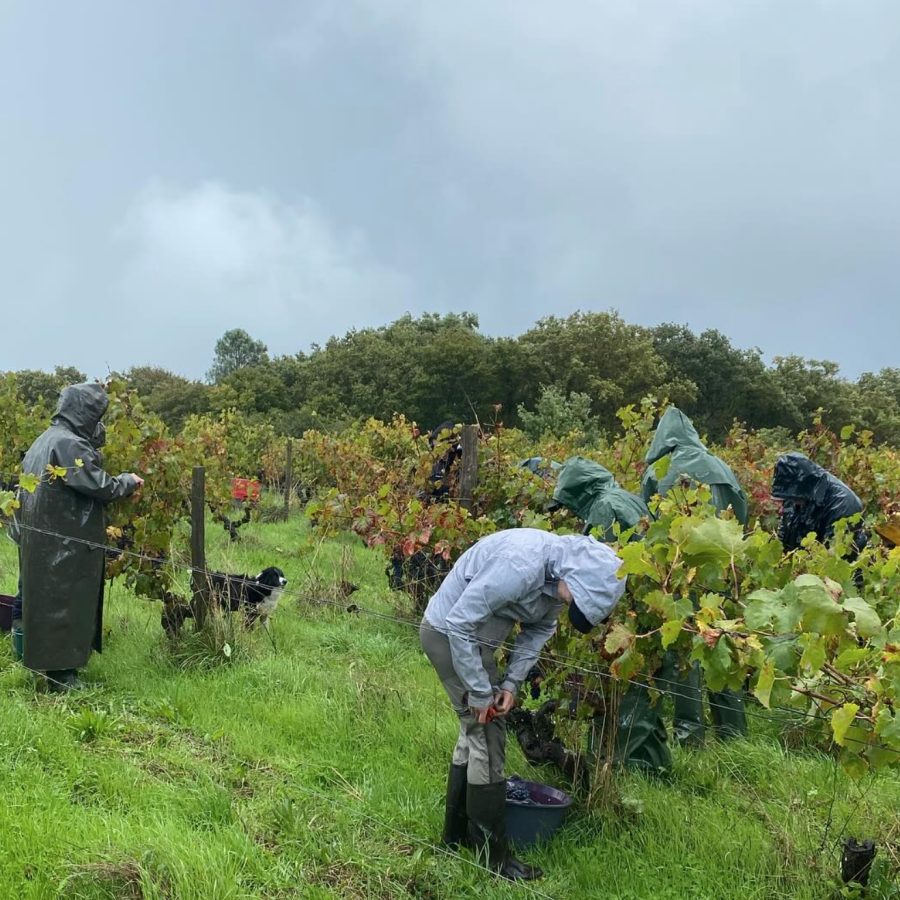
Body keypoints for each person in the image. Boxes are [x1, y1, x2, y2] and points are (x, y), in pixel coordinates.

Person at [419, 528, 626, 881]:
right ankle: (493, 857)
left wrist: (512, 683)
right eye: (575, 601)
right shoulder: (521, 564)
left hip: (477, 641)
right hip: (448, 634)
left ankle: (455, 838)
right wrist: (481, 693)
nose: (568, 607)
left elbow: (536, 634)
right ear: (575, 578)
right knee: (486, 732)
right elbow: (459, 624)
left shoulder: (555, 579)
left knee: (474, 729)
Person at [11, 383, 144, 691]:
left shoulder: (45, 439)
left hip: (42, 541)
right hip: (64, 543)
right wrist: (127, 481)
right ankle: (62, 678)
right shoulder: (69, 444)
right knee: (64, 604)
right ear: (83, 412)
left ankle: (41, 665)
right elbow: (100, 486)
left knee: (40, 603)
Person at [642, 407, 749, 744]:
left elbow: (650, 523)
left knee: (685, 648)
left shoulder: (658, 471)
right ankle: (732, 731)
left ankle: (690, 736)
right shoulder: (721, 466)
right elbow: (741, 515)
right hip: (720, 567)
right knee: (721, 642)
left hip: (681, 564)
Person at [772, 452, 867, 554]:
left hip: (841, 563)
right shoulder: (793, 494)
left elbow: (834, 554)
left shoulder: (844, 504)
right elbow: (784, 531)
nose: (786, 502)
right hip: (802, 559)